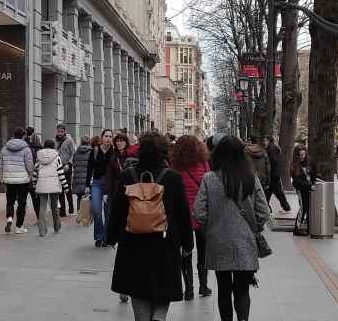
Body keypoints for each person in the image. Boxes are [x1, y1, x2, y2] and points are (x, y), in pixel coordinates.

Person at [108, 132, 193, 321]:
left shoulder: (128, 175)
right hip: (165, 241)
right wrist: (188, 243)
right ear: (164, 152)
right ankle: (160, 316)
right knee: (164, 285)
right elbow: (183, 214)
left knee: (137, 288)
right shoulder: (173, 178)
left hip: (132, 241)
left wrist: (112, 236)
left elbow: (117, 209)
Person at [194, 135, 270, 321]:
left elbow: (199, 212)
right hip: (245, 241)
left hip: (219, 242)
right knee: (242, 290)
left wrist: (211, 228)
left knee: (224, 288)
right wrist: (253, 228)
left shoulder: (209, 179)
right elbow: (264, 212)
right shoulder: (251, 178)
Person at [171, 134, 212, 300]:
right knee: (203, 252)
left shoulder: (175, 166)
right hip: (201, 214)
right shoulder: (203, 163)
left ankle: (188, 289)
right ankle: (204, 286)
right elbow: (209, 184)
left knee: (186, 252)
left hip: (183, 217)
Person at [0, 127, 35, 234]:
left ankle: (9, 218)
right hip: (23, 180)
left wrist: (2, 178)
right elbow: (29, 165)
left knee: (10, 201)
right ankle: (19, 226)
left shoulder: (4, 149)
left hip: (9, 180)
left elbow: (0, 165)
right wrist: (31, 176)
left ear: (13, 135)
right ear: (23, 136)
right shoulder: (26, 149)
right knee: (22, 203)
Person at [86, 129, 115, 246]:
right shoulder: (95, 150)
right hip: (97, 183)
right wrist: (87, 185)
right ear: (102, 137)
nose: (108, 139)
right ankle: (99, 236)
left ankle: (106, 237)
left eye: (110, 136)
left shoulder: (114, 151)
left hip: (110, 185)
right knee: (97, 210)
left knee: (108, 212)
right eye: (106, 136)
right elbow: (89, 169)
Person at [32, 139, 66, 236]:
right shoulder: (57, 157)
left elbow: (35, 172)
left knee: (42, 207)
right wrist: (65, 186)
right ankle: (56, 226)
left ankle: (42, 231)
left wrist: (34, 183)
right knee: (54, 206)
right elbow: (60, 172)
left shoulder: (39, 157)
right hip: (54, 185)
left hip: (42, 184)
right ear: (53, 146)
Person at [263, 136, 291, 213]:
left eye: (265, 140)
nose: (264, 142)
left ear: (268, 141)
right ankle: (286, 207)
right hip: (275, 175)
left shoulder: (271, 150)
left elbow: (272, 163)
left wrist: (270, 174)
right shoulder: (273, 148)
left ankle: (266, 209)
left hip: (273, 175)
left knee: (269, 193)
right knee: (277, 193)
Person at [55, 124, 77, 216]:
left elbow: (73, 153)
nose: (60, 133)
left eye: (61, 131)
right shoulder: (55, 140)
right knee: (60, 188)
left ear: (65, 131)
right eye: (58, 131)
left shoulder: (69, 140)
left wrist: (69, 163)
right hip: (58, 167)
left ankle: (71, 206)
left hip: (67, 166)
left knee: (67, 187)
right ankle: (62, 210)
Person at [291, 146, 313, 224]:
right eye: (300, 155)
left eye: (304, 154)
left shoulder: (307, 163)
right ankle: (297, 228)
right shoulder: (296, 165)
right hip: (301, 189)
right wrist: (309, 185)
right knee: (303, 208)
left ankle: (306, 225)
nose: (302, 156)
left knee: (307, 207)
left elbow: (311, 174)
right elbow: (296, 181)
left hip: (308, 189)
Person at [71, 135, 93, 211]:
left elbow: (74, 164)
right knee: (88, 198)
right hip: (87, 179)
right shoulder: (91, 152)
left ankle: (79, 213)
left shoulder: (76, 153)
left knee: (79, 197)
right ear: (89, 142)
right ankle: (86, 214)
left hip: (78, 179)